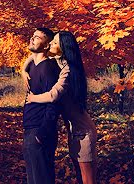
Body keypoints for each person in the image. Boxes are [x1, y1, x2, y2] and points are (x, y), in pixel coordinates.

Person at [23, 31, 97, 184]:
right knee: (79, 174)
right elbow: (33, 56)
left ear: (63, 49)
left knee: (86, 177)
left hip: (82, 130)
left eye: (55, 43)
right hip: (72, 129)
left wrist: (32, 98)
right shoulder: (57, 61)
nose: (51, 45)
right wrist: (23, 70)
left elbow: (53, 96)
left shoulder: (67, 70)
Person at [22, 27, 61, 184]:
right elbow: (31, 57)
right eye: (32, 36)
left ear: (46, 45)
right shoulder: (32, 67)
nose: (32, 39)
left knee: (42, 179)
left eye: (37, 37)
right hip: (30, 128)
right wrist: (22, 70)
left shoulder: (49, 69)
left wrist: (42, 133)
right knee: (34, 178)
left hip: (40, 130)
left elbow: (55, 103)